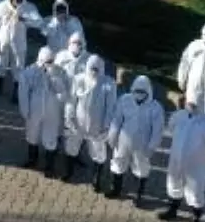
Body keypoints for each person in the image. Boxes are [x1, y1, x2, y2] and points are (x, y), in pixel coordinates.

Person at [159, 101, 205, 222]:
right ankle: (172, 209)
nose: (192, 106)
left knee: (195, 191)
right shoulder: (179, 116)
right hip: (176, 160)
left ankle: (195, 220)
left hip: (196, 165)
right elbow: (170, 128)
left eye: (196, 103)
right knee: (173, 183)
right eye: (190, 102)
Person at [106, 75, 165, 205]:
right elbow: (117, 119)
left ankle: (138, 194)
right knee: (118, 163)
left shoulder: (155, 108)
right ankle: (115, 188)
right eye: (136, 91)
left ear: (148, 92)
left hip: (142, 145)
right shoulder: (124, 100)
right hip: (123, 141)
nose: (138, 94)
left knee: (141, 168)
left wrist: (151, 147)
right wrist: (112, 135)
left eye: (142, 92)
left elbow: (157, 131)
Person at [62, 54, 118, 190]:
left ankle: (96, 179)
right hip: (78, 123)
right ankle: (68, 172)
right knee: (71, 147)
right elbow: (71, 100)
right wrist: (69, 118)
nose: (94, 71)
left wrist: (105, 127)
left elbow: (110, 107)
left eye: (97, 69)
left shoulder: (108, 84)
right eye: (92, 68)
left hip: (97, 126)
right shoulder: (79, 80)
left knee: (98, 153)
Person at [18, 47, 69, 175]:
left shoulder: (60, 72)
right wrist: (25, 110)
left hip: (52, 110)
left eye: (50, 62)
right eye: (45, 62)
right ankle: (32, 159)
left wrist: (54, 77)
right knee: (32, 134)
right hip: (34, 109)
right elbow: (23, 92)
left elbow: (63, 93)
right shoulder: (29, 72)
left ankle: (49, 166)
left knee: (50, 136)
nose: (47, 65)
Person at [0, 0, 41, 102]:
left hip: (19, 42)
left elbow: (39, 22)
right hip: (3, 41)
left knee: (18, 66)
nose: (17, 0)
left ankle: (16, 94)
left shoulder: (28, 7)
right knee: (0, 64)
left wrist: (25, 19)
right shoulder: (2, 6)